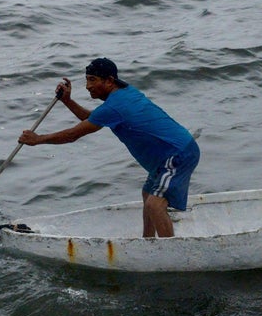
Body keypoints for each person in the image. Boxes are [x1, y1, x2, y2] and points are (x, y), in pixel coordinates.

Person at [18, 58, 199, 238]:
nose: (88, 86)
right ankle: (148, 241)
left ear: (110, 81)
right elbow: (92, 118)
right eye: (87, 80)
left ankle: (168, 251)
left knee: (154, 204)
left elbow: (73, 135)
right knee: (148, 194)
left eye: (93, 80)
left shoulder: (115, 106)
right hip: (171, 153)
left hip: (177, 154)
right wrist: (67, 101)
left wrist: (38, 139)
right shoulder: (124, 94)